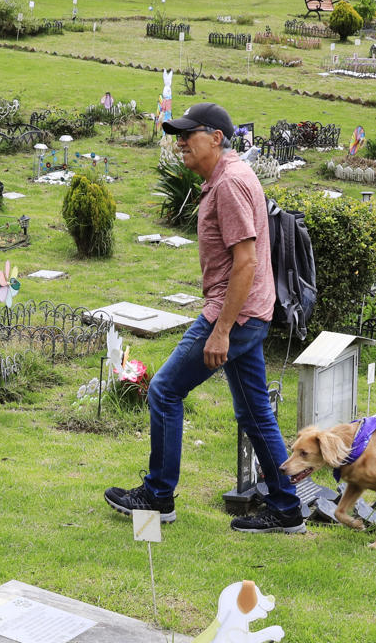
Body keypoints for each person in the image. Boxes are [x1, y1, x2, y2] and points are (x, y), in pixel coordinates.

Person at [104, 103, 304, 534]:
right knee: (255, 415)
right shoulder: (231, 174)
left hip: (236, 313)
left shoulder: (230, 183)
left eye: (187, 135)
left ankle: (159, 496)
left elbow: (246, 263)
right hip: (251, 310)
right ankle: (286, 507)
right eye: (177, 135)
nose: (179, 143)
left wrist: (222, 331)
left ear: (215, 137)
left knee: (164, 390)